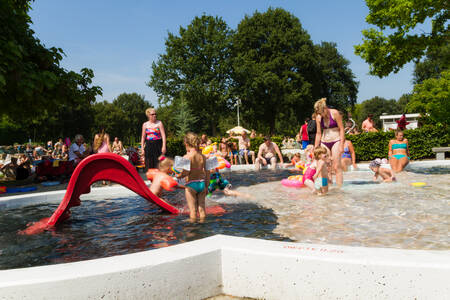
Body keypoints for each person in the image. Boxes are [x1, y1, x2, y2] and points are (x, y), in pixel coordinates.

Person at [314, 98, 345, 187]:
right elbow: (318, 133)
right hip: (324, 141)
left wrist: (342, 144)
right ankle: (327, 187)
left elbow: (342, 129)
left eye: (321, 112)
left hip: (336, 140)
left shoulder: (335, 113)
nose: (320, 115)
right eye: (318, 113)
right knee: (325, 167)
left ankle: (339, 188)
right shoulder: (319, 117)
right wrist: (316, 147)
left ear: (325, 108)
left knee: (336, 166)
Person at [179, 133, 209, 221]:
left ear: (187, 144)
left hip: (191, 185)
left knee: (193, 210)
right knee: (202, 209)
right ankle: (203, 225)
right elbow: (207, 172)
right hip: (201, 184)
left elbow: (185, 173)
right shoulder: (203, 157)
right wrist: (206, 186)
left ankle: (193, 230)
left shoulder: (187, 157)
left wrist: (179, 175)